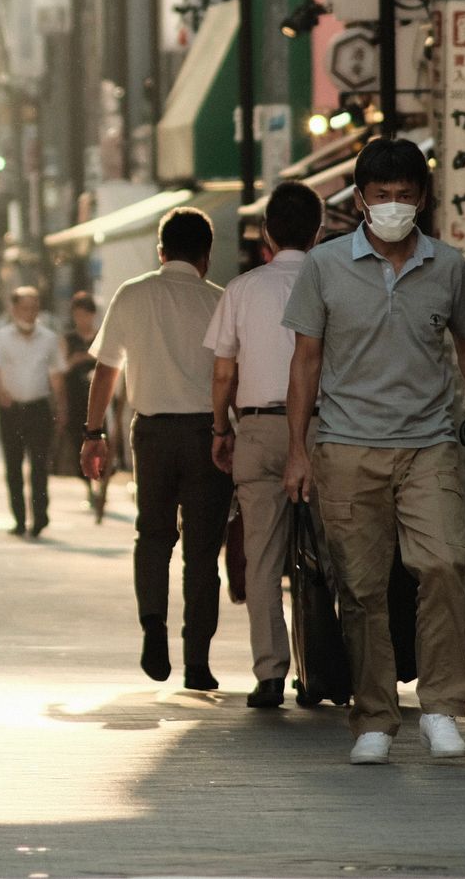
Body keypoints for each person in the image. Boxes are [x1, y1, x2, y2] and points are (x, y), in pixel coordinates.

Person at [280, 137, 465, 765]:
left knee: (443, 565)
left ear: (423, 198)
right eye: (380, 197)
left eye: (403, 197)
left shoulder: (447, 267)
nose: (391, 207)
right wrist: (297, 451)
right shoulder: (324, 266)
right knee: (360, 589)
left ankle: (440, 707)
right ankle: (375, 717)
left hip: (427, 443)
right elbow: (304, 362)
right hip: (346, 447)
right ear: (359, 200)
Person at [82, 208, 228, 689]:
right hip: (208, 434)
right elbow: (233, 375)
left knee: (153, 536)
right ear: (205, 256)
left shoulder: (132, 294)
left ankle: (153, 629)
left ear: (160, 251)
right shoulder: (219, 302)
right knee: (203, 553)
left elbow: (106, 369)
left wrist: (92, 433)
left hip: (152, 434)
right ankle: (198, 661)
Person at [205, 182, 324, 709]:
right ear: (319, 231)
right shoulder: (332, 284)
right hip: (323, 430)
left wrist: (220, 429)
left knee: (262, 557)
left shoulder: (242, 289)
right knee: (335, 553)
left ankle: (270, 673)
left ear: (267, 234)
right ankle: (327, 665)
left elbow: (223, 372)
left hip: (257, 428)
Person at [0, 287, 66, 538]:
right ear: (14, 309)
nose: (29, 313)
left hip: (39, 408)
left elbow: (56, 375)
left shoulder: (49, 339)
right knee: (13, 466)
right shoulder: (1, 337)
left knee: (39, 465)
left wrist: (61, 406)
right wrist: (0, 392)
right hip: (11, 409)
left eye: (34, 308)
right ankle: (19, 518)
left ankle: (40, 516)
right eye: (24, 308)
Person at [59, 291, 104, 518]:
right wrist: (75, 360)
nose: (82, 319)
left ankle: (98, 486)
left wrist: (90, 359)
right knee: (78, 441)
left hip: (98, 398)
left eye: (85, 314)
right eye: (77, 315)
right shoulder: (68, 339)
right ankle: (88, 486)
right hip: (75, 397)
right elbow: (60, 369)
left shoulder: (101, 337)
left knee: (100, 440)